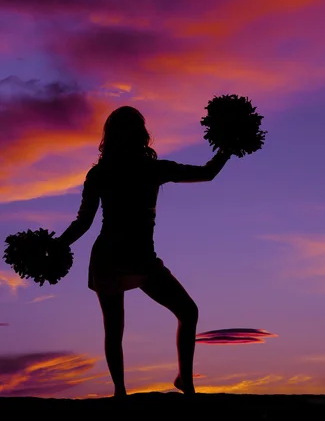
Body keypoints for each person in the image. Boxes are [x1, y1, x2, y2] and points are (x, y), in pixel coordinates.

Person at [58, 106, 232, 398]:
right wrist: (227, 147)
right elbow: (208, 173)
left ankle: (131, 391)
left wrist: (57, 245)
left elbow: (82, 222)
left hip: (127, 259)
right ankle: (169, 387)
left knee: (121, 328)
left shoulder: (104, 173)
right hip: (122, 260)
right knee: (182, 313)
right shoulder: (147, 169)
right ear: (141, 135)